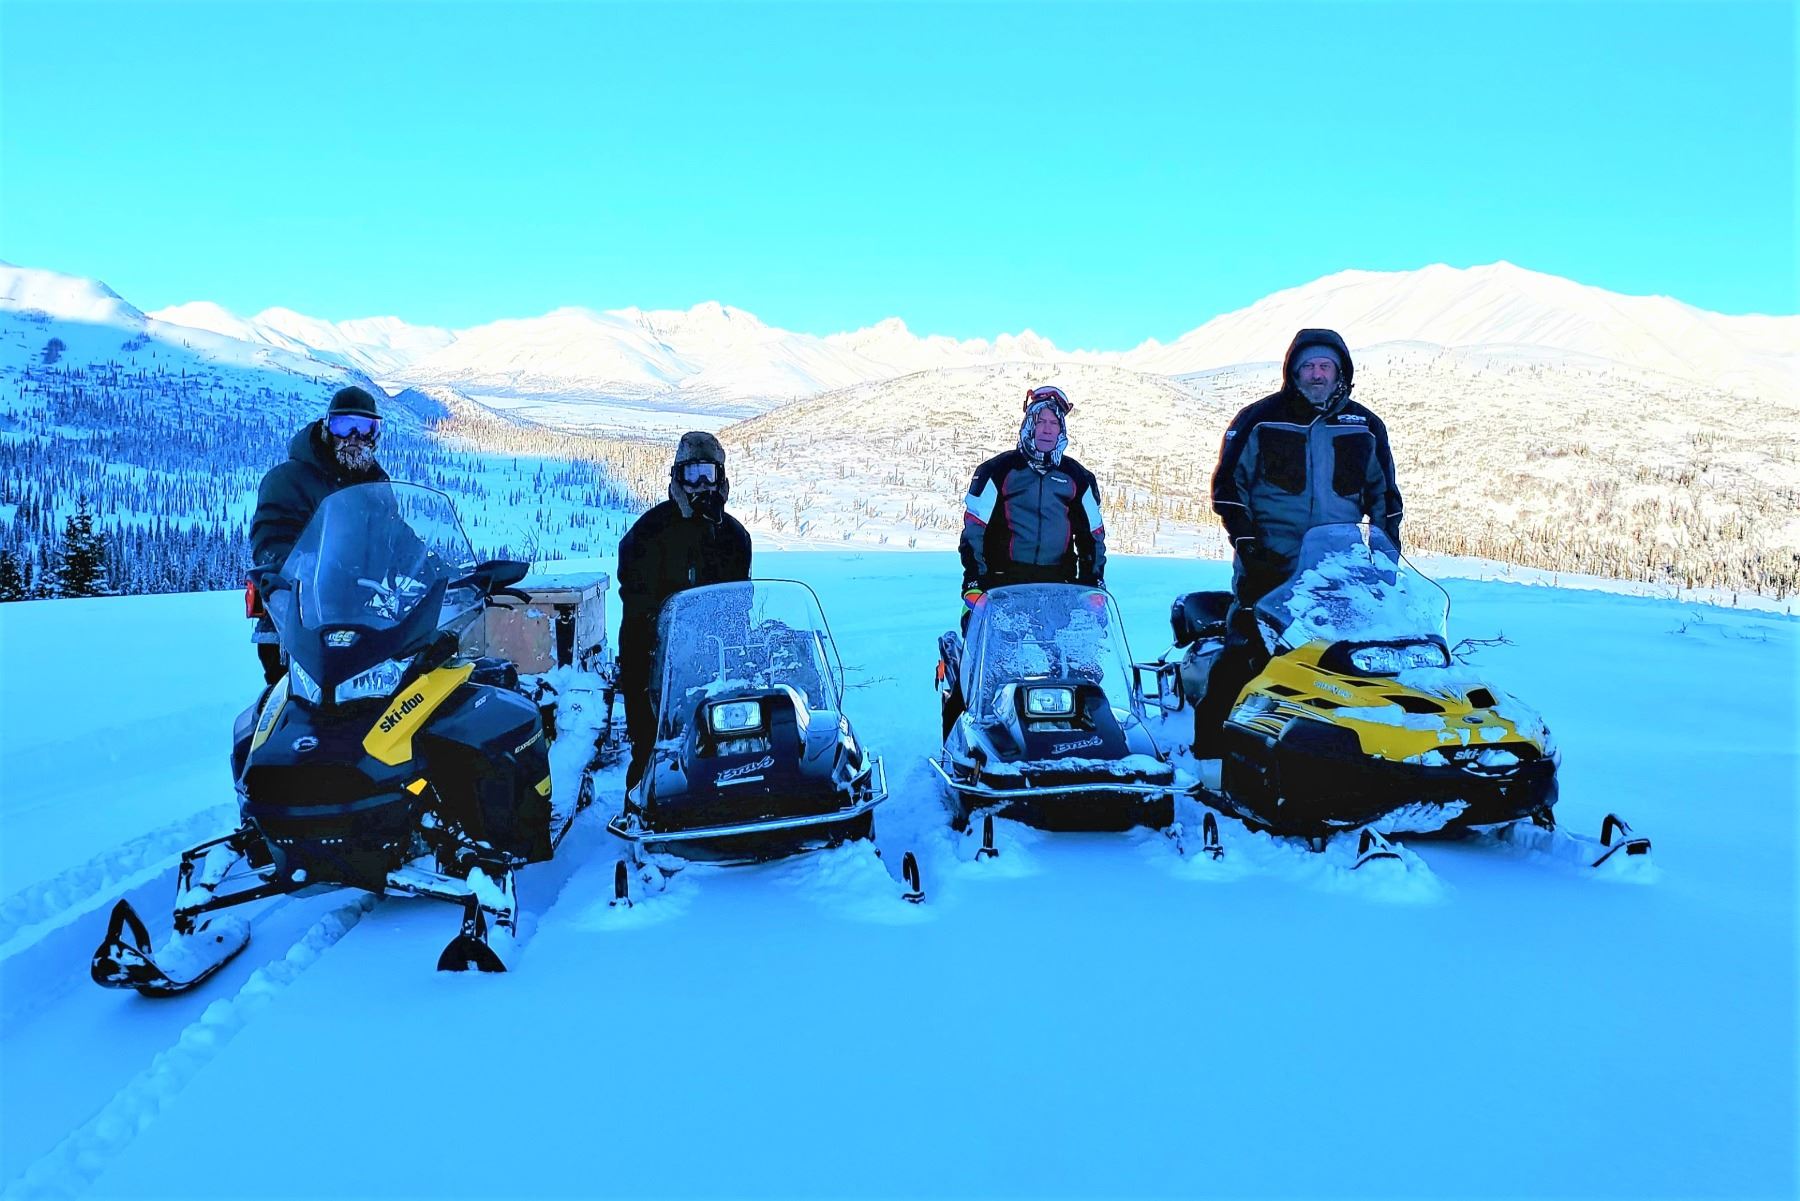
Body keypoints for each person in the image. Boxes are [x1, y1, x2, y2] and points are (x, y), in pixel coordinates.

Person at [1191, 329, 1403, 757]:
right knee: (1247, 651)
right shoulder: (1260, 419)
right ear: (1293, 371)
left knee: (1351, 659)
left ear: (1340, 372)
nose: (1317, 374)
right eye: (1308, 366)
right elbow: (1228, 487)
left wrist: (1384, 557)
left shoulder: (1364, 426)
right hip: (1270, 561)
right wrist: (1249, 544)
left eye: (1325, 366)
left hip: (1340, 567)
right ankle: (1213, 753)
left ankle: (1362, 750)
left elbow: (1384, 496)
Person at [942, 384, 1107, 734]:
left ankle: (1083, 739)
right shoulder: (997, 471)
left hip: (1058, 589)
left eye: (1054, 423)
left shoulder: (1078, 478)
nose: (1047, 429)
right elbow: (973, 531)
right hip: (1002, 587)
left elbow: (1092, 536)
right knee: (984, 670)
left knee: (1076, 668)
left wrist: (1092, 585)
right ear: (1028, 425)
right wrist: (975, 583)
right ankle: (956, 741)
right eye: (1040, 421)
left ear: (1062, 429)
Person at [615, 431, 753, 791]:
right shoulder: (648, 534)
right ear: (678, 477)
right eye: (693, 474)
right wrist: (639, 678)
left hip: (719, 664)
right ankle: (642, 801)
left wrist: (742, 658)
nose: (702, 484)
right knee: (651, 756)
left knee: (733, 747)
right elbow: (636, 612)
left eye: (709, 473)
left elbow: (740, 607)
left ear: (721, 478)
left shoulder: (735, 537)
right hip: (657, 664)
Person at [248, 385, 390, 684]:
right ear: (327, 428)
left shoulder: (375, 484)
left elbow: (395, 536)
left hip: (354, 620)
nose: (354, 437)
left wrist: (441, 571)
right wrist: (308, 568)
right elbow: (271, 539)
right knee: (301, 704)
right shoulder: (289, 479)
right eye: (344, 426)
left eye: (365, 428)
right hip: (296, 623)